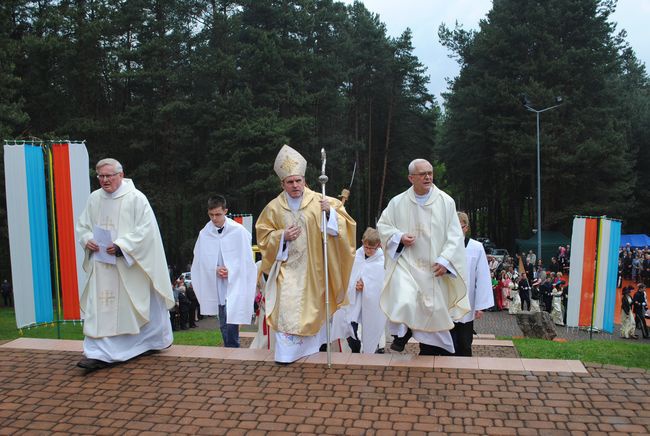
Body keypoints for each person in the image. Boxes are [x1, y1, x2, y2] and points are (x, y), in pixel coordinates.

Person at [255, 145, 356, 363]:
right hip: (287, 270)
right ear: (282, 184)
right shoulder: (273, 208)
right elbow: (263, 237)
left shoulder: (321, 201)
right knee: (286, 309)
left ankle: (310, 349)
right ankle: (287, 354)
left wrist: (330, 214)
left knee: (314, 308)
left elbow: (347, 226)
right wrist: (281, 236)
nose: (295, 186)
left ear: (304, 180)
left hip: (315, 269)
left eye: (298, 181)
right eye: (290, 182)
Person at [75, 158, 175, 370]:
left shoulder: (136, 198)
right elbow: (83, 225)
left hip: (128, 265)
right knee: (99, 308)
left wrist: (121, 246)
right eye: (100, 176)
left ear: (120, 175)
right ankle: (96, 352)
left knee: (130, 307)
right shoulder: (94, 198)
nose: (104, 180)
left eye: (109, 176)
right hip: (102, 266)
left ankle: (146, 342)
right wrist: (87, 239)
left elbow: (146, 231)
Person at [377, 158, 469, 356]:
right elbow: (383, 226)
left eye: (430, 173)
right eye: (422, 174)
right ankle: (403, 333)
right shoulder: (398, 202)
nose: (428, 177)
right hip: (407, 265)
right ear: (411, 178)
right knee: (406, 299)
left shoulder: (445, 201)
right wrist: (399, 236)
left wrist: (445, 260)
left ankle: (431, 351)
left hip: (434, 269)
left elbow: (455, 235)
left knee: (433, 312)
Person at [191, 195, 257, 348]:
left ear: (225, 211)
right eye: (211, 215)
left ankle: (232, 347)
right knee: (223, 319)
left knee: (231, 317)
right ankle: (230, 346)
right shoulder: (204, 234)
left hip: (234, 282)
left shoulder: (238, 231)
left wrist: (232, 270)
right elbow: (199, 260)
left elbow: (246, 260)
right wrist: (214, 268)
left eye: (218, 214)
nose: (214, 218)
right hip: (216, 283)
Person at [453, 212, 493, 356]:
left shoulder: (476, 247)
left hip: (467, 303)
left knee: (464, 343)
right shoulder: (443, 246)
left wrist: (481, 305)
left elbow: (482, 277)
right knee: (447, 343)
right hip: (446, 304)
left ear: (466, 228)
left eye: (459, 227)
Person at [341, 227, 387, 354]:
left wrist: (366, 285)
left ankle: (374, 348)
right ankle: (355, 349)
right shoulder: (357, 255)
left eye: (371, 248)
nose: (367, 250)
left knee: (372, 326)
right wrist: (354, 285)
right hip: (355, 299)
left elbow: (381, 283)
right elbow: (349, 276)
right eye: (365, 246)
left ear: (378, 246)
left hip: (372, 303)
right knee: (350, 325)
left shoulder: (382, 261)